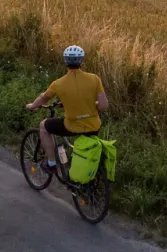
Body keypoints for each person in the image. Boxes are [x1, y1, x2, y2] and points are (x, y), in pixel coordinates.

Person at [26, 45, 108, 173]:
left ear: (65, 61)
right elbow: (103, 106)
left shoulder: (58, 84)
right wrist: (91, 106)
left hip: (71, 127)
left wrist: (32, 106)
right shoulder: (94, 79)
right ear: (81, 60)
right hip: (94, 126)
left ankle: (51, 163)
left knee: (43, 126)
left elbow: (43, 98)